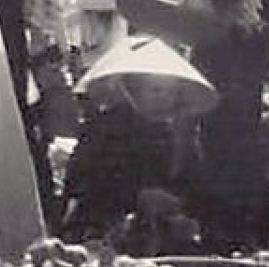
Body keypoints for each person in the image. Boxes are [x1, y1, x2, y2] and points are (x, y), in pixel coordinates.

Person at [119, 0, 269, 251]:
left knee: (219, 191)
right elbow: (264, 76)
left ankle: (224, 245)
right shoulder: (259, 35)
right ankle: (248, 246)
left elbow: (196, 85)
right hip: (242, 122)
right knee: (245, 188)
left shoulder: (209, 38)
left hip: (216, 124)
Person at [62, 35, 215, 252]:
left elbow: (193, 182)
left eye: (170, 90)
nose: (164, 97)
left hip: (163, 237)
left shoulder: (180, 133)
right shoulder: (104, 127)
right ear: (133, 89)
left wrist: (181, 206)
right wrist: (135, 197)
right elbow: (78, 180)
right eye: (155, 90)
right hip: (104, 230)